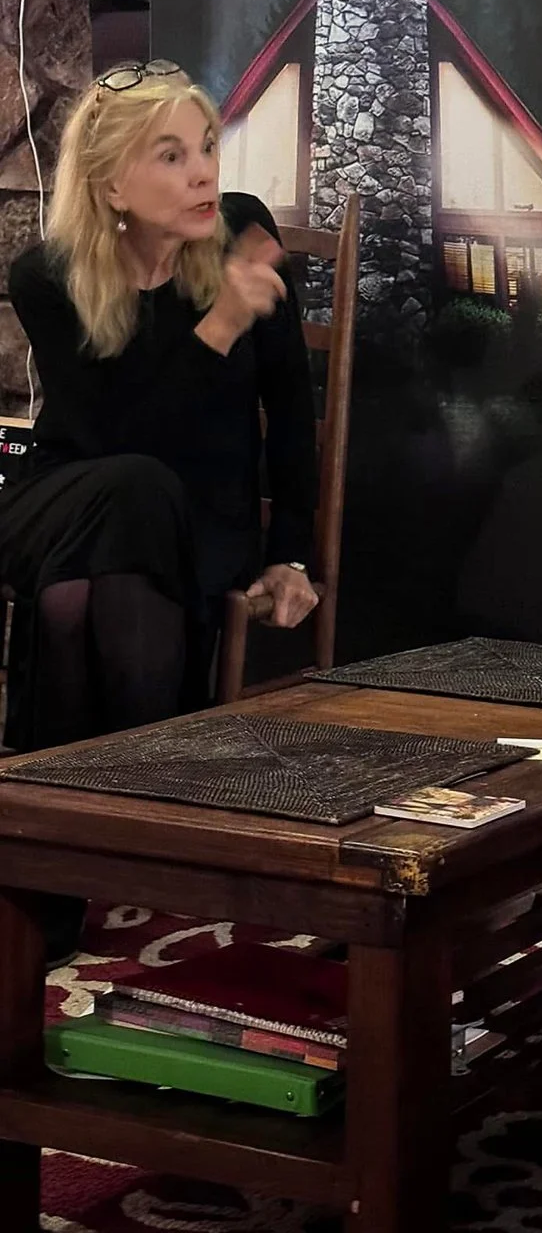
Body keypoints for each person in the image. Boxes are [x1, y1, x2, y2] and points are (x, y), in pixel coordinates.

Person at [0, 59, 320, 956]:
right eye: (171, 156)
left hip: (199, 521)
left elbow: (293, 413)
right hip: (67, 498)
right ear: (112, 187)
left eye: (207, 147)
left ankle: (48, 877)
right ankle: (146, 823)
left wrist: (292, 553)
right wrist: (219, 326)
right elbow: (115, 438)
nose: (203, 173)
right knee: (128, 491)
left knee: (72, 602)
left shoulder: (242, 234)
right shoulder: (48, 275)